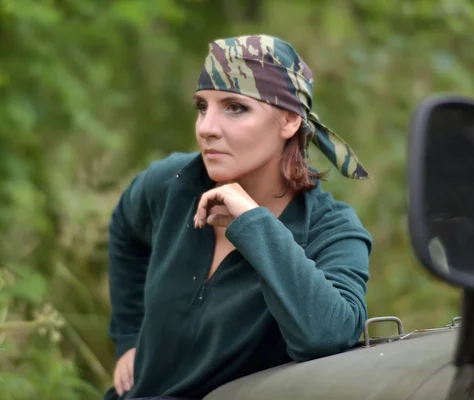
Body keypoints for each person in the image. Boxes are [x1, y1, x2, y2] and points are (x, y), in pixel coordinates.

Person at [104, 34, 373, 400]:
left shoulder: (332, 231)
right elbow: (124, 227)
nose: (206, 127)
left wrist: (254, 222)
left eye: (234, 107)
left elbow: (328, 336)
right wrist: (129, 336)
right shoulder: (174, 184)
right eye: (202, 106)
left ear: (290, 121)